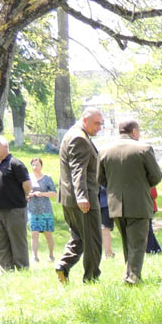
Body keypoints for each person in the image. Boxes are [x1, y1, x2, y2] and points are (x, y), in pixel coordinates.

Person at [98, 118, 162, 285]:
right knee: (138, 243)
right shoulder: (144, 149)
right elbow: (156, 176)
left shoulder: (105, 150)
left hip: (115, 203)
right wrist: (142, 185)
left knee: (128, 242)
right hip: (139, 202)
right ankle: (132, 278)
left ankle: (129, 274)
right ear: (134, 132)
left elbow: (101, 178)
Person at [56, 106, 104, 283]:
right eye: (96, 123)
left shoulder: (72, 134)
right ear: (85, 120)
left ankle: (63, 266)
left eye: (101, 124)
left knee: (79, 237)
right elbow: (78, 170)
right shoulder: (79, 138)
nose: (99, 127)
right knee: (93, 240)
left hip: (69, 197)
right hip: (83, 199)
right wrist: (82, 196)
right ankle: (91, 278)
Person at [0, 136, 31, 271]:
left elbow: (26, 183)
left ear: (5, 147)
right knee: (1, 242)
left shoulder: (15, 164)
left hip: (15, 210)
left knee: (17, 241)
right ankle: (7, 269)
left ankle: (22, 269)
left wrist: (26, 195)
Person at [26, 157, 56, 262]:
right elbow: (24, 193)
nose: (35, 167)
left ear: (41, 166)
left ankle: (51, 255)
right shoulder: (28, 178)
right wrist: (29, 194)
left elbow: (54, 193)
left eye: (37, 165)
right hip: (32, 210)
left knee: (48, 234)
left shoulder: (47, 178)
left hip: (45, 210)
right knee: (34, 234)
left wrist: (42, 194)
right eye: (33, 165)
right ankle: (35, 257)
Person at [98, 186, 115, 258]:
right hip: (94, 205)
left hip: (106, 204)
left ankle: (108, 253)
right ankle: (108, 252)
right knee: (99, 231)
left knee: (105, 230)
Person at [145, 186, 162, 255]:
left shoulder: (148, 178)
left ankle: (150, 250)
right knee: (148, 230)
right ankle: (157, 250)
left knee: (148, 230)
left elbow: (154, 194)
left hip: (149, 207)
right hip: (144, 208)